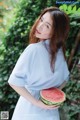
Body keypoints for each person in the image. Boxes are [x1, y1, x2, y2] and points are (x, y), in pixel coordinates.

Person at [8, 6, 70, 120]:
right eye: (41, 20)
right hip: (51, 112)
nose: (39, 26)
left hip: (29, 110)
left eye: (47, 26)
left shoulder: (33, 49)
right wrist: (52, 93)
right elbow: (65, 79)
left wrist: (37, 102)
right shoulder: (60, 51)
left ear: (56, 32)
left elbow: (13, 81)